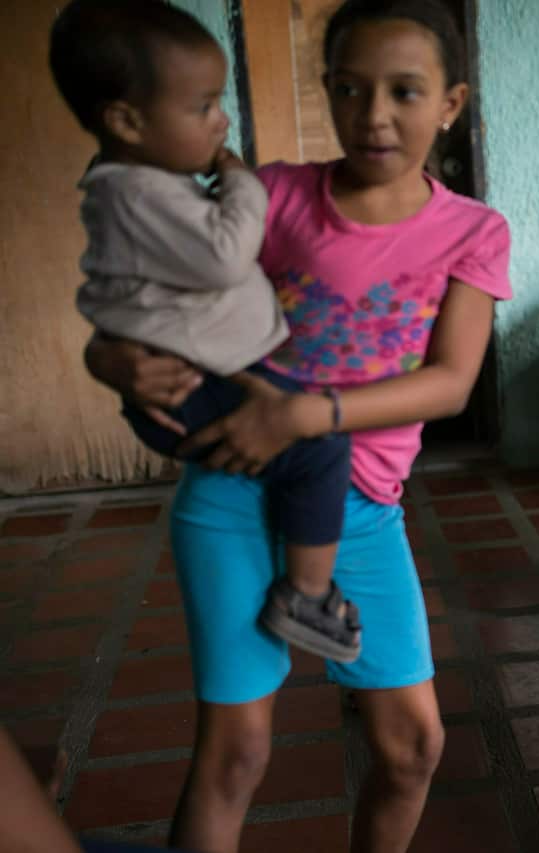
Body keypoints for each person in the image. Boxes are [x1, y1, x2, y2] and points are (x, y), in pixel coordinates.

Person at [81, 1, 511, 850]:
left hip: (361, 504)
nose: (374, 113)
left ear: (451, 103)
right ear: (327, 92)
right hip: (232, 493)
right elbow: (140, 293)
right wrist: (109, 359)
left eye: (405, 91)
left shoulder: (472, 229)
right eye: (350, 89)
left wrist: (306, 414)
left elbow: (452, 383)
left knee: (414, 744)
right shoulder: (270, 196)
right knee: (235, 752)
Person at [49, 0, 359, 664]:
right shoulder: (138, 191)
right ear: (126, 120)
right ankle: (306, 593)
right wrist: (242, 184)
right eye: (203, 107)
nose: (222, 121)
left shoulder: (143, 185)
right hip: (192, 384)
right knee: (322, 448)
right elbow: (225, 253)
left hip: (197, 374)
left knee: (305, 445)